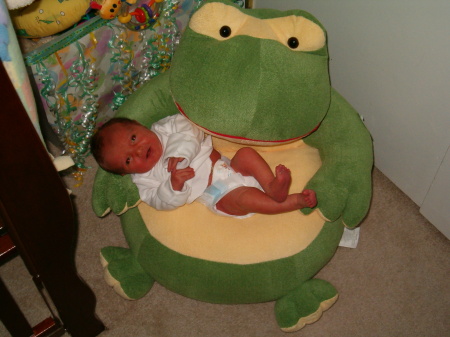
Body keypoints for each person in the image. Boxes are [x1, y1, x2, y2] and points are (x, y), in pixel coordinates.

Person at [90, 114, 317, 217]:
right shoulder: (144, 179)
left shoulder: (166, 128)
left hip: (229, 165)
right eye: (129, 160)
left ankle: (272, 186)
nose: (138, 150)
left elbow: (192, 129)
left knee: (246, 154)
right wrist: (173, 186)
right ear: (126, 173)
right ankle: (291, 201)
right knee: (245, 199)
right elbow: (159, 201)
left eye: (133, 138)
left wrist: (177, 154)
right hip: (217, 193)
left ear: (139, 125)